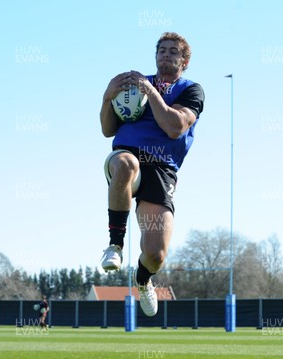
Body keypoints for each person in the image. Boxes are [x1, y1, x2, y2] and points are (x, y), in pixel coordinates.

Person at [99, 32, 205, 317]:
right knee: (125, 165)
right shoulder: (132, 85)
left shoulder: (190, 90)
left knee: (156, 254)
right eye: (162, 50)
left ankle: (143, 279)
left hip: (161, 167)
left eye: (173, 52)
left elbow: (174, 126)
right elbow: (108, 129)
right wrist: (108, 97)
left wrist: (151, 92)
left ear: (184, 61)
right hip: (127, 156)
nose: (166, 55)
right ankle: (115, 245)